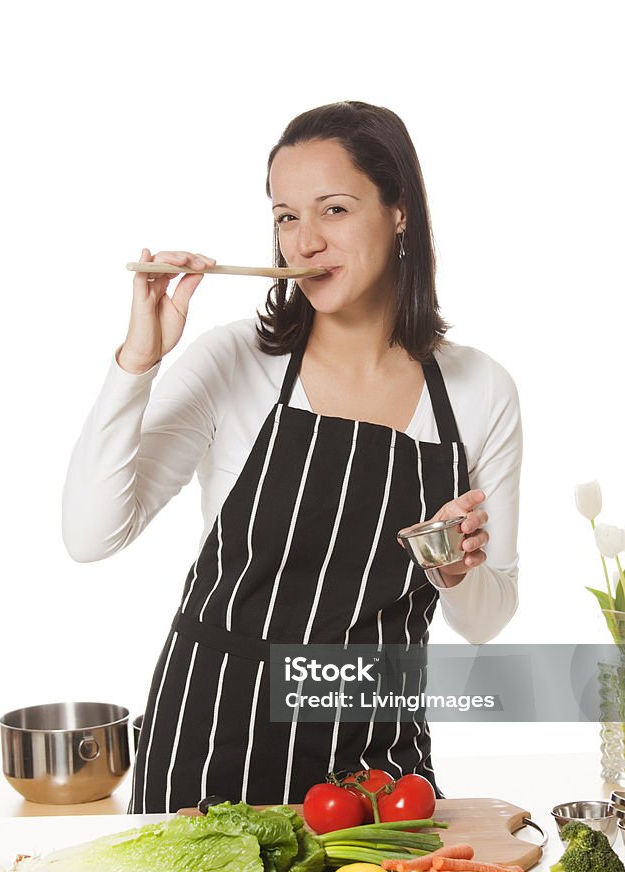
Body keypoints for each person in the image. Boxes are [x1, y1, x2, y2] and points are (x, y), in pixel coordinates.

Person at [62, 101, 522, 813]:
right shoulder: (233, 363)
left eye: (333, 210)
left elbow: (489, 618)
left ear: (399, 210)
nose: (303, 243)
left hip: (377, 758)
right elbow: (91, 535)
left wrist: (456, 571)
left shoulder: (477, 389)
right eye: (285, 216)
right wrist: (137, 362)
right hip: (213, 743)